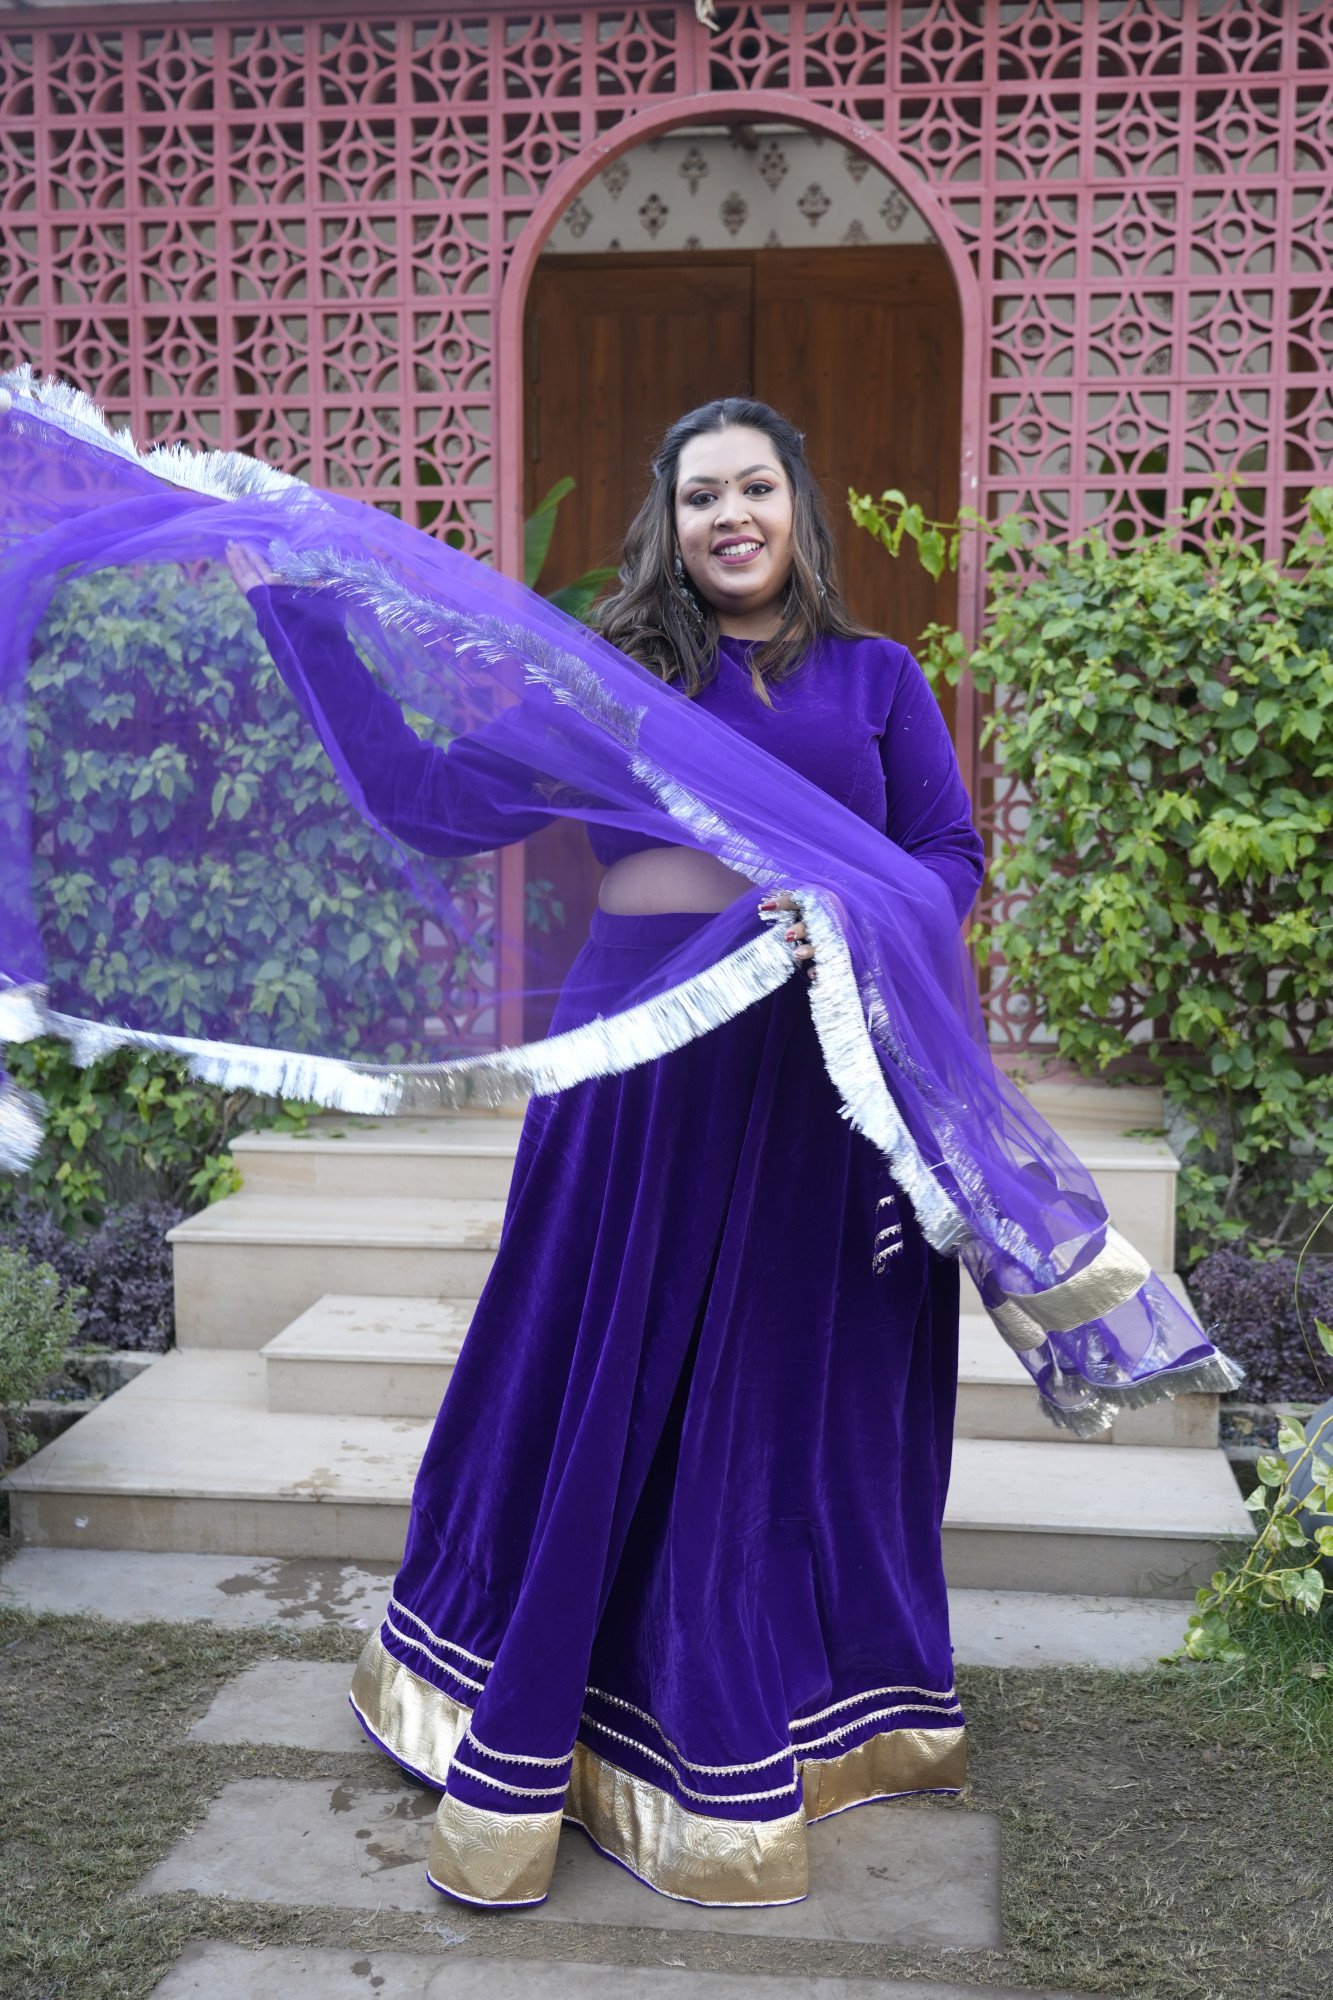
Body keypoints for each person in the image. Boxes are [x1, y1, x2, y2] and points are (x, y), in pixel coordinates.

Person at [230, 397, 986, 1911]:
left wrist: (849, 915)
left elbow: (948, 857)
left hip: (811, 1086)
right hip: (637, 1072)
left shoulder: (878, 679)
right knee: (605, 1365)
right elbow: (425, 798)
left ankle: (774, 1701)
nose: (730, 516)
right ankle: (537, 1699)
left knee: (779, 1382)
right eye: (700, 492)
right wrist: (291, 606)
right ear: (670, 518)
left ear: (797, 509)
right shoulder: (614, 678)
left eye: (755, 486)